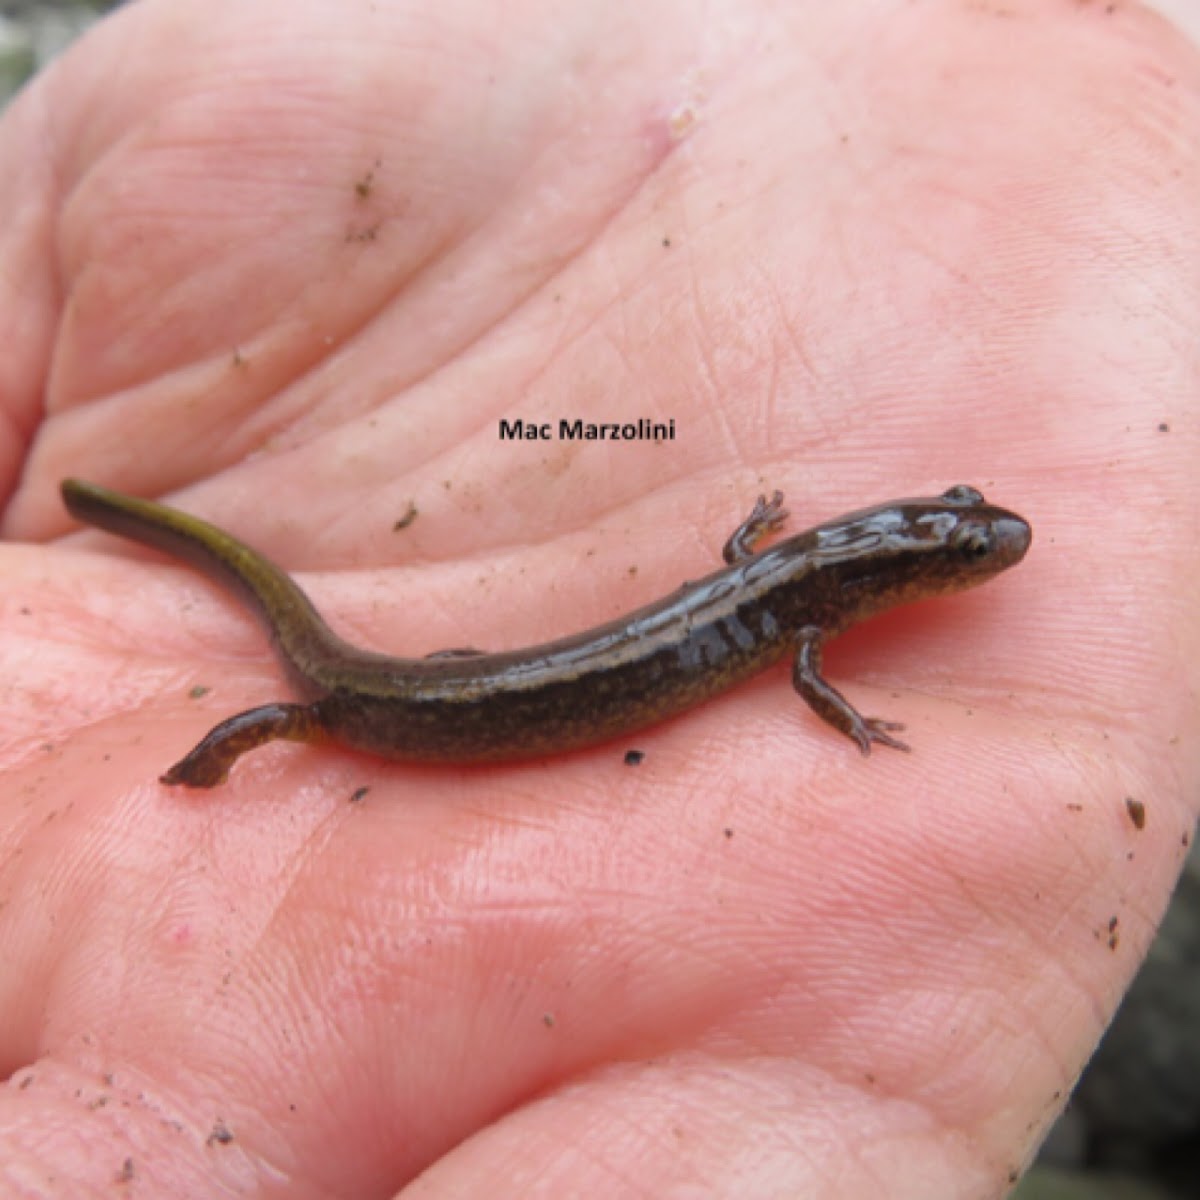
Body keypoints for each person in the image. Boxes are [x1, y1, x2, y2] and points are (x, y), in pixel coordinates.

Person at [1, 0, 1197, 1194]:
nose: (978, 555)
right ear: (892, 569)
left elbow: (754, 574)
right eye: (960, 550)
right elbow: (809, 673)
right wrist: (198, 773)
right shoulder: (802, 622)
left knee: (379, 681)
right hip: (369, 703)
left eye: (965, 545)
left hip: (427, 685)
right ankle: (205, 760)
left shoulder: (788, 596)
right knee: (286, 717)